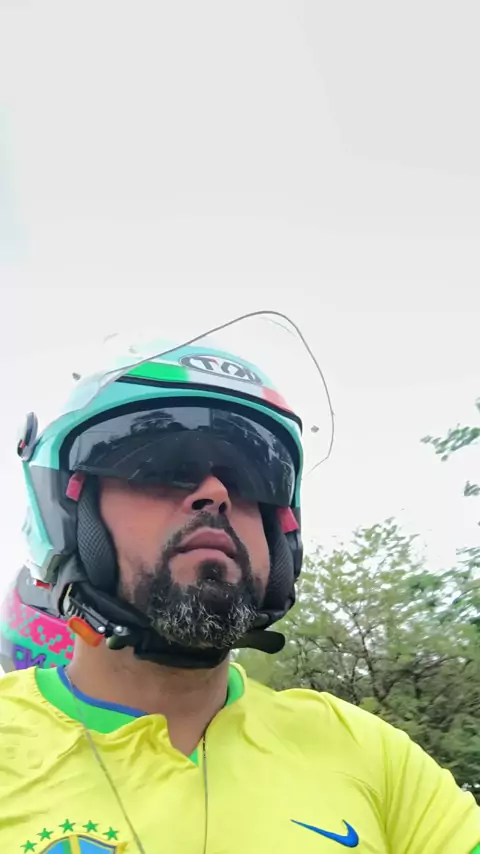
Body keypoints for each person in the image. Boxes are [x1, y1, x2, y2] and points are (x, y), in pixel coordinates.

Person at [1, 324, 479, 854]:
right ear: (68, 511)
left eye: (255, 476)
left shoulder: (372, 757)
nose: (215, 493)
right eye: (161, 464)